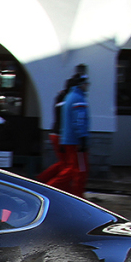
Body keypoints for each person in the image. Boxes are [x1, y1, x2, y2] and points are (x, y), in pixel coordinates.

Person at [41, 65, 90, 197]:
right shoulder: (77, 99)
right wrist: (82, 138)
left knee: (68, 166)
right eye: (86, 84)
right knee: (76, 168)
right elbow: (78, 120)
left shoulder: (67, 97)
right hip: (72, 138)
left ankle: (45, 184)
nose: (88, 86)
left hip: (64, 136)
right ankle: (51, 189)